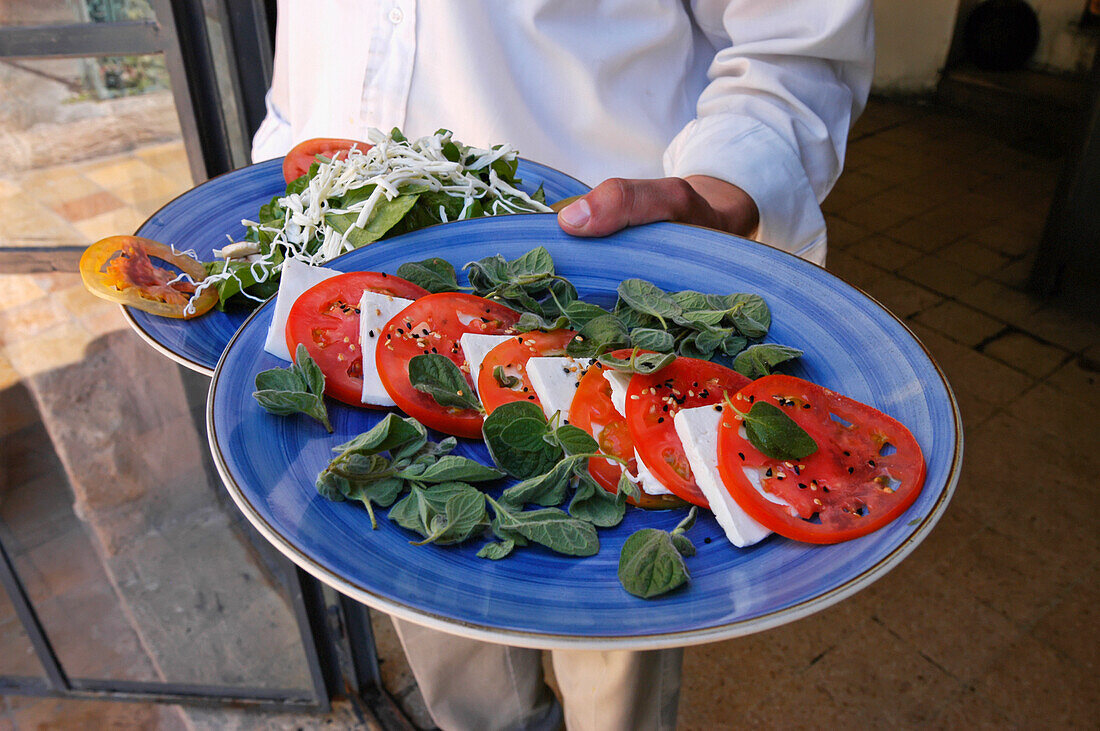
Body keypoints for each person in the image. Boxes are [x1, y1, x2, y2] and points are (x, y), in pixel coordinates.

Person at [251, 2, 874, 729]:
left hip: (601, 297)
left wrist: (730, 184)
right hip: (356, 324)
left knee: (617, 663)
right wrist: (286, 180)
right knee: (451, 645)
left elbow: (797, 39)